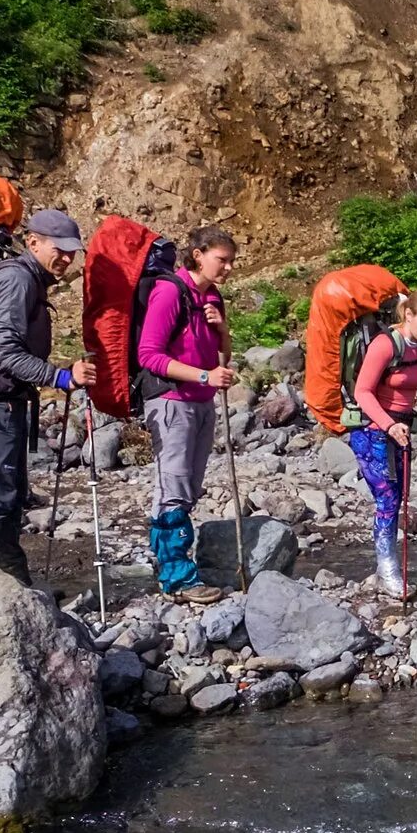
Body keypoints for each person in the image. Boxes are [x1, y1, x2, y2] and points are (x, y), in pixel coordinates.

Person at [0, 207, 94, 597]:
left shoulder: (28, 278)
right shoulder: (17, 279)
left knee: (8, 495)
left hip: (5, 401)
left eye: (71, 251)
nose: (66, 257)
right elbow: (1, 351)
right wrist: (60, 377)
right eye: (58, 248)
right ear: (32, 242)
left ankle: (13, 587)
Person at [137, 227, 237, 591]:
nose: (227, 268)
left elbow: (223, 356)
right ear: (198, 254)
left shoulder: (213, 299)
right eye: (221, 260)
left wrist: (222, 329)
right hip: (171, 403)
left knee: (189, 487)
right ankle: (177, 576)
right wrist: (204, 376)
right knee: (174, 488)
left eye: (231, 262)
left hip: (201, 401)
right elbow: (148, 355)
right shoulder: (169, 292)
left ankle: (167, 560)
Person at [348, 287, 417, 596]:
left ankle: (385, 567)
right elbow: (362, 393)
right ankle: (388, 571)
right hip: (371, 431)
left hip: (402, 432)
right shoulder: (386, 344)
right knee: (387, 499)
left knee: (397, 499)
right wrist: (388, 424)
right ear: (408, 314)